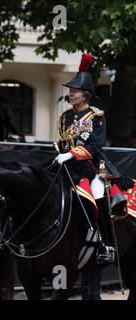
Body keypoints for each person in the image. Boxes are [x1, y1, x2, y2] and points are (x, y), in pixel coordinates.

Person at [54, 53, 133, 264]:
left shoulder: (96, 116)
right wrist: (62, 154)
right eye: (70, 90)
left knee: (99, 196)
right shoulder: (65, 117)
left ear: (86, 94)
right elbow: (63, 141)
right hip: (67, 164)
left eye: (75, 91)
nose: (70, 94)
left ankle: (107, 244)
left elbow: (95, 146)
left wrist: (71, 154)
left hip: (91, 165)